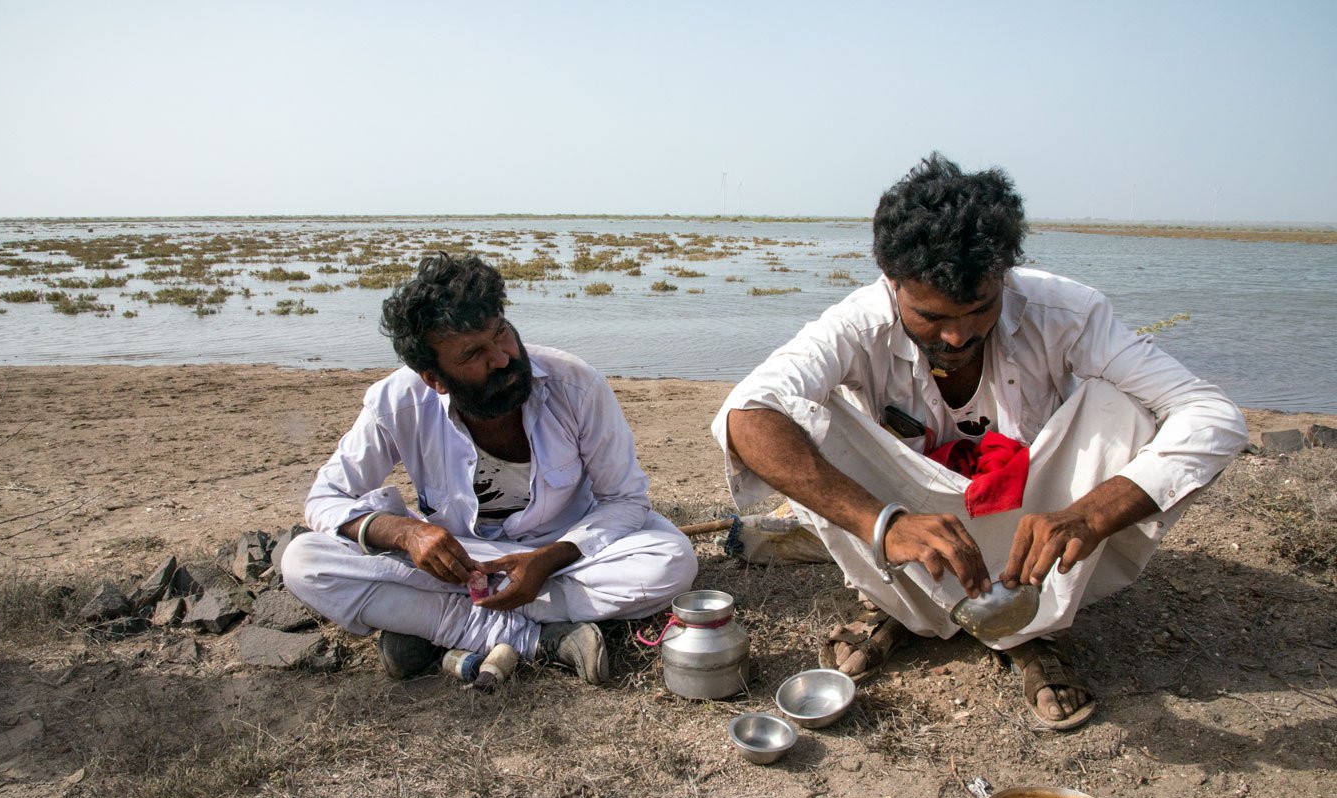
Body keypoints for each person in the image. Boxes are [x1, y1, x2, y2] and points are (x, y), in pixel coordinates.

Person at [714, 154, 1246, 729]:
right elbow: (746, 415)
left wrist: (1093, 513)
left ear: (1005, 277)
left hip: (1033, 511)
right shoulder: (856, 325)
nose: (957, 335)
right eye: (930, 315)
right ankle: (899, 609)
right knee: (812, 414)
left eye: (980, 308)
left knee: (1125, 403)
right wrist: (883, 523)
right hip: (907, 516)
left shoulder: (1066, 312)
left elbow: (1212, 414)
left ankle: (1033, 631)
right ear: (892, 283)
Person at [282, 252, 698, 685]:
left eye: (501, 333)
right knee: (303, 560)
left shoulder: (575, 385)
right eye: (474, 353)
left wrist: (546, 560)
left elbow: (624, 500)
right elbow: (325, 498)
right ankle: (529, 638)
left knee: (670, 561)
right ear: (435, 379)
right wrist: (408, 533)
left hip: (561, 557)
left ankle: (427, 626)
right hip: (459, 558)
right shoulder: (397, 402)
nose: (501, 358)